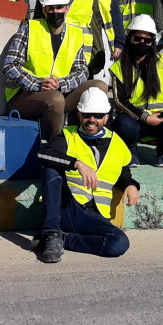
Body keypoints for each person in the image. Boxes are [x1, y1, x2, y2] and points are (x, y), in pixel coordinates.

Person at [33, 87, 137, 263]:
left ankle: (63, 240)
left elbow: (123, 173)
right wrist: (76, 164)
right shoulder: (66, 136)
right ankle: (51, 233)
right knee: (51, 168)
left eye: (97, 115)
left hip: (95, 217)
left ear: (106, 117)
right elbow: (43, 155)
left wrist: (131, 185)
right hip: (67, 208)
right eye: (87, 114)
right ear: (79, 115)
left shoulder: (118, 144)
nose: (91, 120)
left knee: (119, 242)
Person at [3, 0, 107, 138]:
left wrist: (61, 84)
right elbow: (10, 65)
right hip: (25, 96)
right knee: (55, 98)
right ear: (44, 10)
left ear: (67, 8)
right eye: (50, 8)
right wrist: (38, 84)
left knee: (99, 86)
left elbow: (82, 71)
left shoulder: (76, 34)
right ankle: (56, 146)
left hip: (59, 91)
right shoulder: (29, 28)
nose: (55, 11)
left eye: (59, 7)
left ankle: (85, 137)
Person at [110, 15, 163, 167]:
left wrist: (156, 111)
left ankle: (162, 152)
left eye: (147, 40)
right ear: (129, 38)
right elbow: (120, 101)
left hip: (161, 117)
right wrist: (144, 116)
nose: (142, 42)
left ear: (153, 42)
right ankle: (131, 151)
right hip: (134, 118)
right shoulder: (119, 67)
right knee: (122, 124)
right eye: (137, 38)